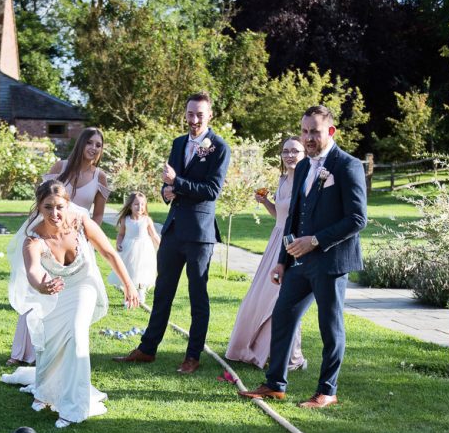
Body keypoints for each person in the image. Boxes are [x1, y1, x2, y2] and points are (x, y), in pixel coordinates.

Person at [241, 105, 367, 408]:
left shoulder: (347, 166)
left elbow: (357, 219)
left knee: (330, 326)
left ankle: (327, 391)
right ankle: (275, 385)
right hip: (298, 263)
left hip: (331, 262)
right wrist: (283, 261)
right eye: (305, 131)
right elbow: (294, 217)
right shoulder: (303, 168)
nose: (309, 138)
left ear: (331, 132)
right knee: (283, 317)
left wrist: (315, 241)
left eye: (315, 132)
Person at [2, 180, 138, 428]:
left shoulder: (81, 223)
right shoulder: (33, 239)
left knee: (76, 335)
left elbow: (108, 252)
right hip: (53, 293)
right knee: (50, 350)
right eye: (48, 207)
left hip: (83, 286)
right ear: (39, 208)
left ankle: (74, 408)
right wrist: (42, 285)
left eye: (60, 207)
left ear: (68, 205)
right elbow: (33, 271)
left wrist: (128, 284)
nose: (55, 214)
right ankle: (45, 391)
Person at [114, 92, 230, 374]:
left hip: (200, 233)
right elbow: (168, 186)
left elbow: (212, 191)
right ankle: (147, 349)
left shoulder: (219, 147)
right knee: (162, 291)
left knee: (197, 295)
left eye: (199, 114)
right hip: (174, 229)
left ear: (210, 115)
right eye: (190, 114)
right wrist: (167, 192)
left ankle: (193, 355)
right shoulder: (178, 143)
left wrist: (177, 183)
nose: (194, 120)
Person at [6, 126, 110, 366]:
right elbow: (42, 198)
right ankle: (23, 352)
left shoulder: (99, 176)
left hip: (75, 241)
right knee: (37, 287)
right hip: (45, 237)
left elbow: (98, 216)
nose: (94, 148)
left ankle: (59, 348)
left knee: (69, 294)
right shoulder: (60, 167)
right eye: (90, 143)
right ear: (81, 144)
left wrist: (85, 239)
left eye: (99, 145)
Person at [225, 138, 307, 371]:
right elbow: (281, 215)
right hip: (276, 241)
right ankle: (262, 350)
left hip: (294, 244)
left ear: (304, 154)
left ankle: (293, 357)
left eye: (295, 151)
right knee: (262, 298)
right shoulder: (282, 180)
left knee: (284, 298)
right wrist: (265, 203)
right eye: (286, 151)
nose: (290, 155)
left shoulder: (307, 182)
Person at [107, 192, 160, 305]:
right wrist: (118, 243)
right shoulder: (125, 220)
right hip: (128, 248)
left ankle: (141, 291)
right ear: (130, 206)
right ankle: (129, 293)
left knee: (141, 270)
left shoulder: (146, 220)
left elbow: (154, 235)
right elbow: (121, 234)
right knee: (129, 270)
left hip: (144, 249)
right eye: (136, 204)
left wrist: (161, 245)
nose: (139, 207)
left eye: (142, 204)